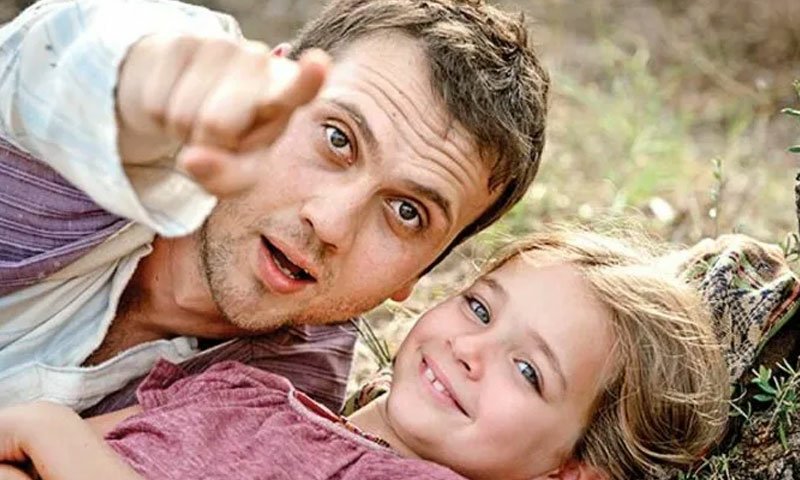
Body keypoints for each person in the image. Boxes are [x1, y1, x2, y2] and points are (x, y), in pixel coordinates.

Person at [0, 0, 549, 412]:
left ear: (419, 274)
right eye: (338, 139)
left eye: (407, 212)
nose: (330, 223)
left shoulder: (292, 393)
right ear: (271, 84)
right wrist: (146, 89)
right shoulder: (93, 108)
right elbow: (73, 55)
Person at [0, 230, 729, 480]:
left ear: (570, 470)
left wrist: (48, 429)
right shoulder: (241, 388)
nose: (470, 350)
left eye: (528, 370)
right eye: (479, 308)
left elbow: (45, 439)